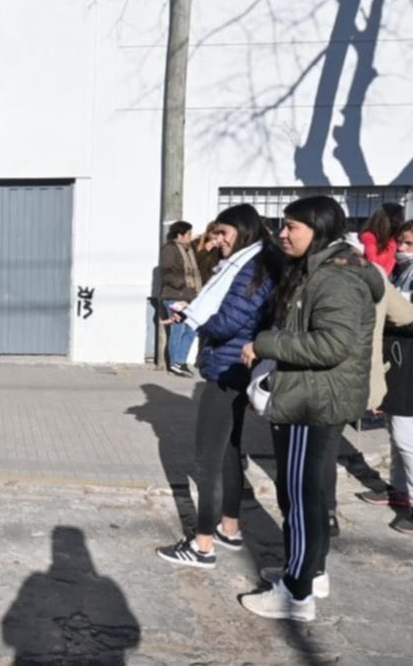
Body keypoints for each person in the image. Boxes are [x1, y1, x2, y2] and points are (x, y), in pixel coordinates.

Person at [240, 195, 382, 622]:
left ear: (318, 230)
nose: (282, 234)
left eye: (291, 227)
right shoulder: (323, 269)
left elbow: (331, 344)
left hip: (311, 399)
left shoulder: (335, 278)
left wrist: (264, 343)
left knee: (299, 498)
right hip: (314, 394)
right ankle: (310, 571)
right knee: (310, 497)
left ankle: (296, 594)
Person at [156, 205, 279, 569]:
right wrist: (192, 311)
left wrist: (195, 319)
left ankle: (202, 545)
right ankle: (230, 527)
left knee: (207, 457)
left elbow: (228, 321)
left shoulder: (252, 266)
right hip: (233, 366)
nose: (217, 240)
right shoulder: (247, 263)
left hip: (228, 369)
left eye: (223, 233)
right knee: (228, 451)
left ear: (242, 231)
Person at [362, 221, 413, 533]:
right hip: (397, 358)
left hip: (410, 363)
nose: (403, 250)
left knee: (407, 436)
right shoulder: (400, 270)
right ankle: (398, 489)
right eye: (402, 243)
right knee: (394, 430)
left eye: (409, 244)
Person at [160, 220, 201, 377]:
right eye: (188, 233)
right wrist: (182, 284)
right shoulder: (170, 249)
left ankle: (181, 361)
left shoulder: (188, 249)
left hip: (189, 296)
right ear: (180, 234)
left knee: (191, 329)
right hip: (175, 296)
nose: (190, 236)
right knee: (178, 329)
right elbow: (167, 272)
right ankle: (175, 364)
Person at [358, 202, 404, 274]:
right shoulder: (369, 236)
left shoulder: (396, 237)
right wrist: (393, 249)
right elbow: (376, 266)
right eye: (398, 216)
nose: (401, 220)